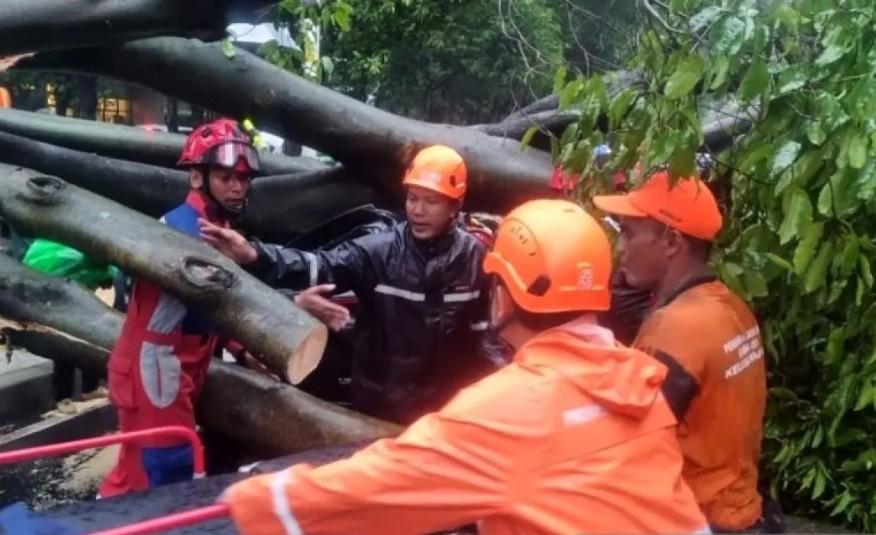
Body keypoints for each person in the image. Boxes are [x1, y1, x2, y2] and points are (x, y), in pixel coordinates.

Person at [220, 199, 710, 535]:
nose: (419, 207)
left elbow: (377, 490)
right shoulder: (637, 381)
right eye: (415, 196)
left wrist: (252, 501)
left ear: (504, 291)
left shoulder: (513, 410)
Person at [200, 145, 504, 424]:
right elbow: (319, 265)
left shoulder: (475, 258)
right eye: (413, 198)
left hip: (443, 413)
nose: (417, 210)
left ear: (455, 206)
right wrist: (255, 254)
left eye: (431, 201)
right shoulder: (380, 251)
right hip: (378, 408)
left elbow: (484, 339)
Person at [593, 171, 776, 532]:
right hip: (740, 509)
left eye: (629, 233)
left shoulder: (674, 329)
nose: (620, 248)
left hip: (697, 518)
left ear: (671, 241)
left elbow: (627, 449)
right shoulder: (730, 305)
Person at [98, 118, 262, 498]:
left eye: (243, 178)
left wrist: (239, 347)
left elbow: (214, 308)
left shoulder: (214, 227)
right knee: (166, 470)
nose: (237, 187)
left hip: (181, 360)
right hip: (156, 362)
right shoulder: (181, 231)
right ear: (197, 178)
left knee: (138, 469)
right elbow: (217, 303)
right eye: (226, 177)